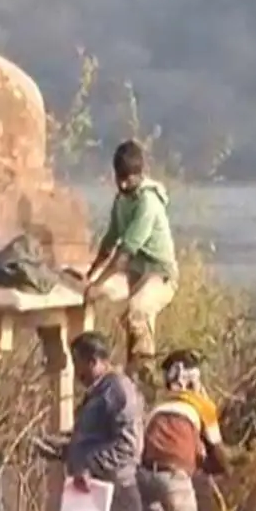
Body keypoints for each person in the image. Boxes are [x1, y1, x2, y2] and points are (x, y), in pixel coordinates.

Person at [82, 140, 178, 393]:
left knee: (136, 312)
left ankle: (144, 383)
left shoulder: (148, 203)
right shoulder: (121, 201)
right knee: (92, 296)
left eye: (129, 179)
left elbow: (124, 252)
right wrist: (91, 277)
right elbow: (110, 241)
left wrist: (99, 283)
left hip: (160, 275)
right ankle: (118, 370)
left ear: (140, 175)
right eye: (120, 178)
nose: (124, 184)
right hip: (133, 274)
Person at [137, 349, 229, 511]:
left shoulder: (157, 407)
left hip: (142, 476)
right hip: (173, 479)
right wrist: (213, 466)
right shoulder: (202, 405)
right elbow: (219, 454)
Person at [64, 331, 146, 511]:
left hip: (116, 497)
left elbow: (128, 447)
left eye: (78, 364)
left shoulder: (118, 390)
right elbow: (95, 439)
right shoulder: (99, 392)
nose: (76, 373)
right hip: (96, 497)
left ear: (94, 361)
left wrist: (89, 464)